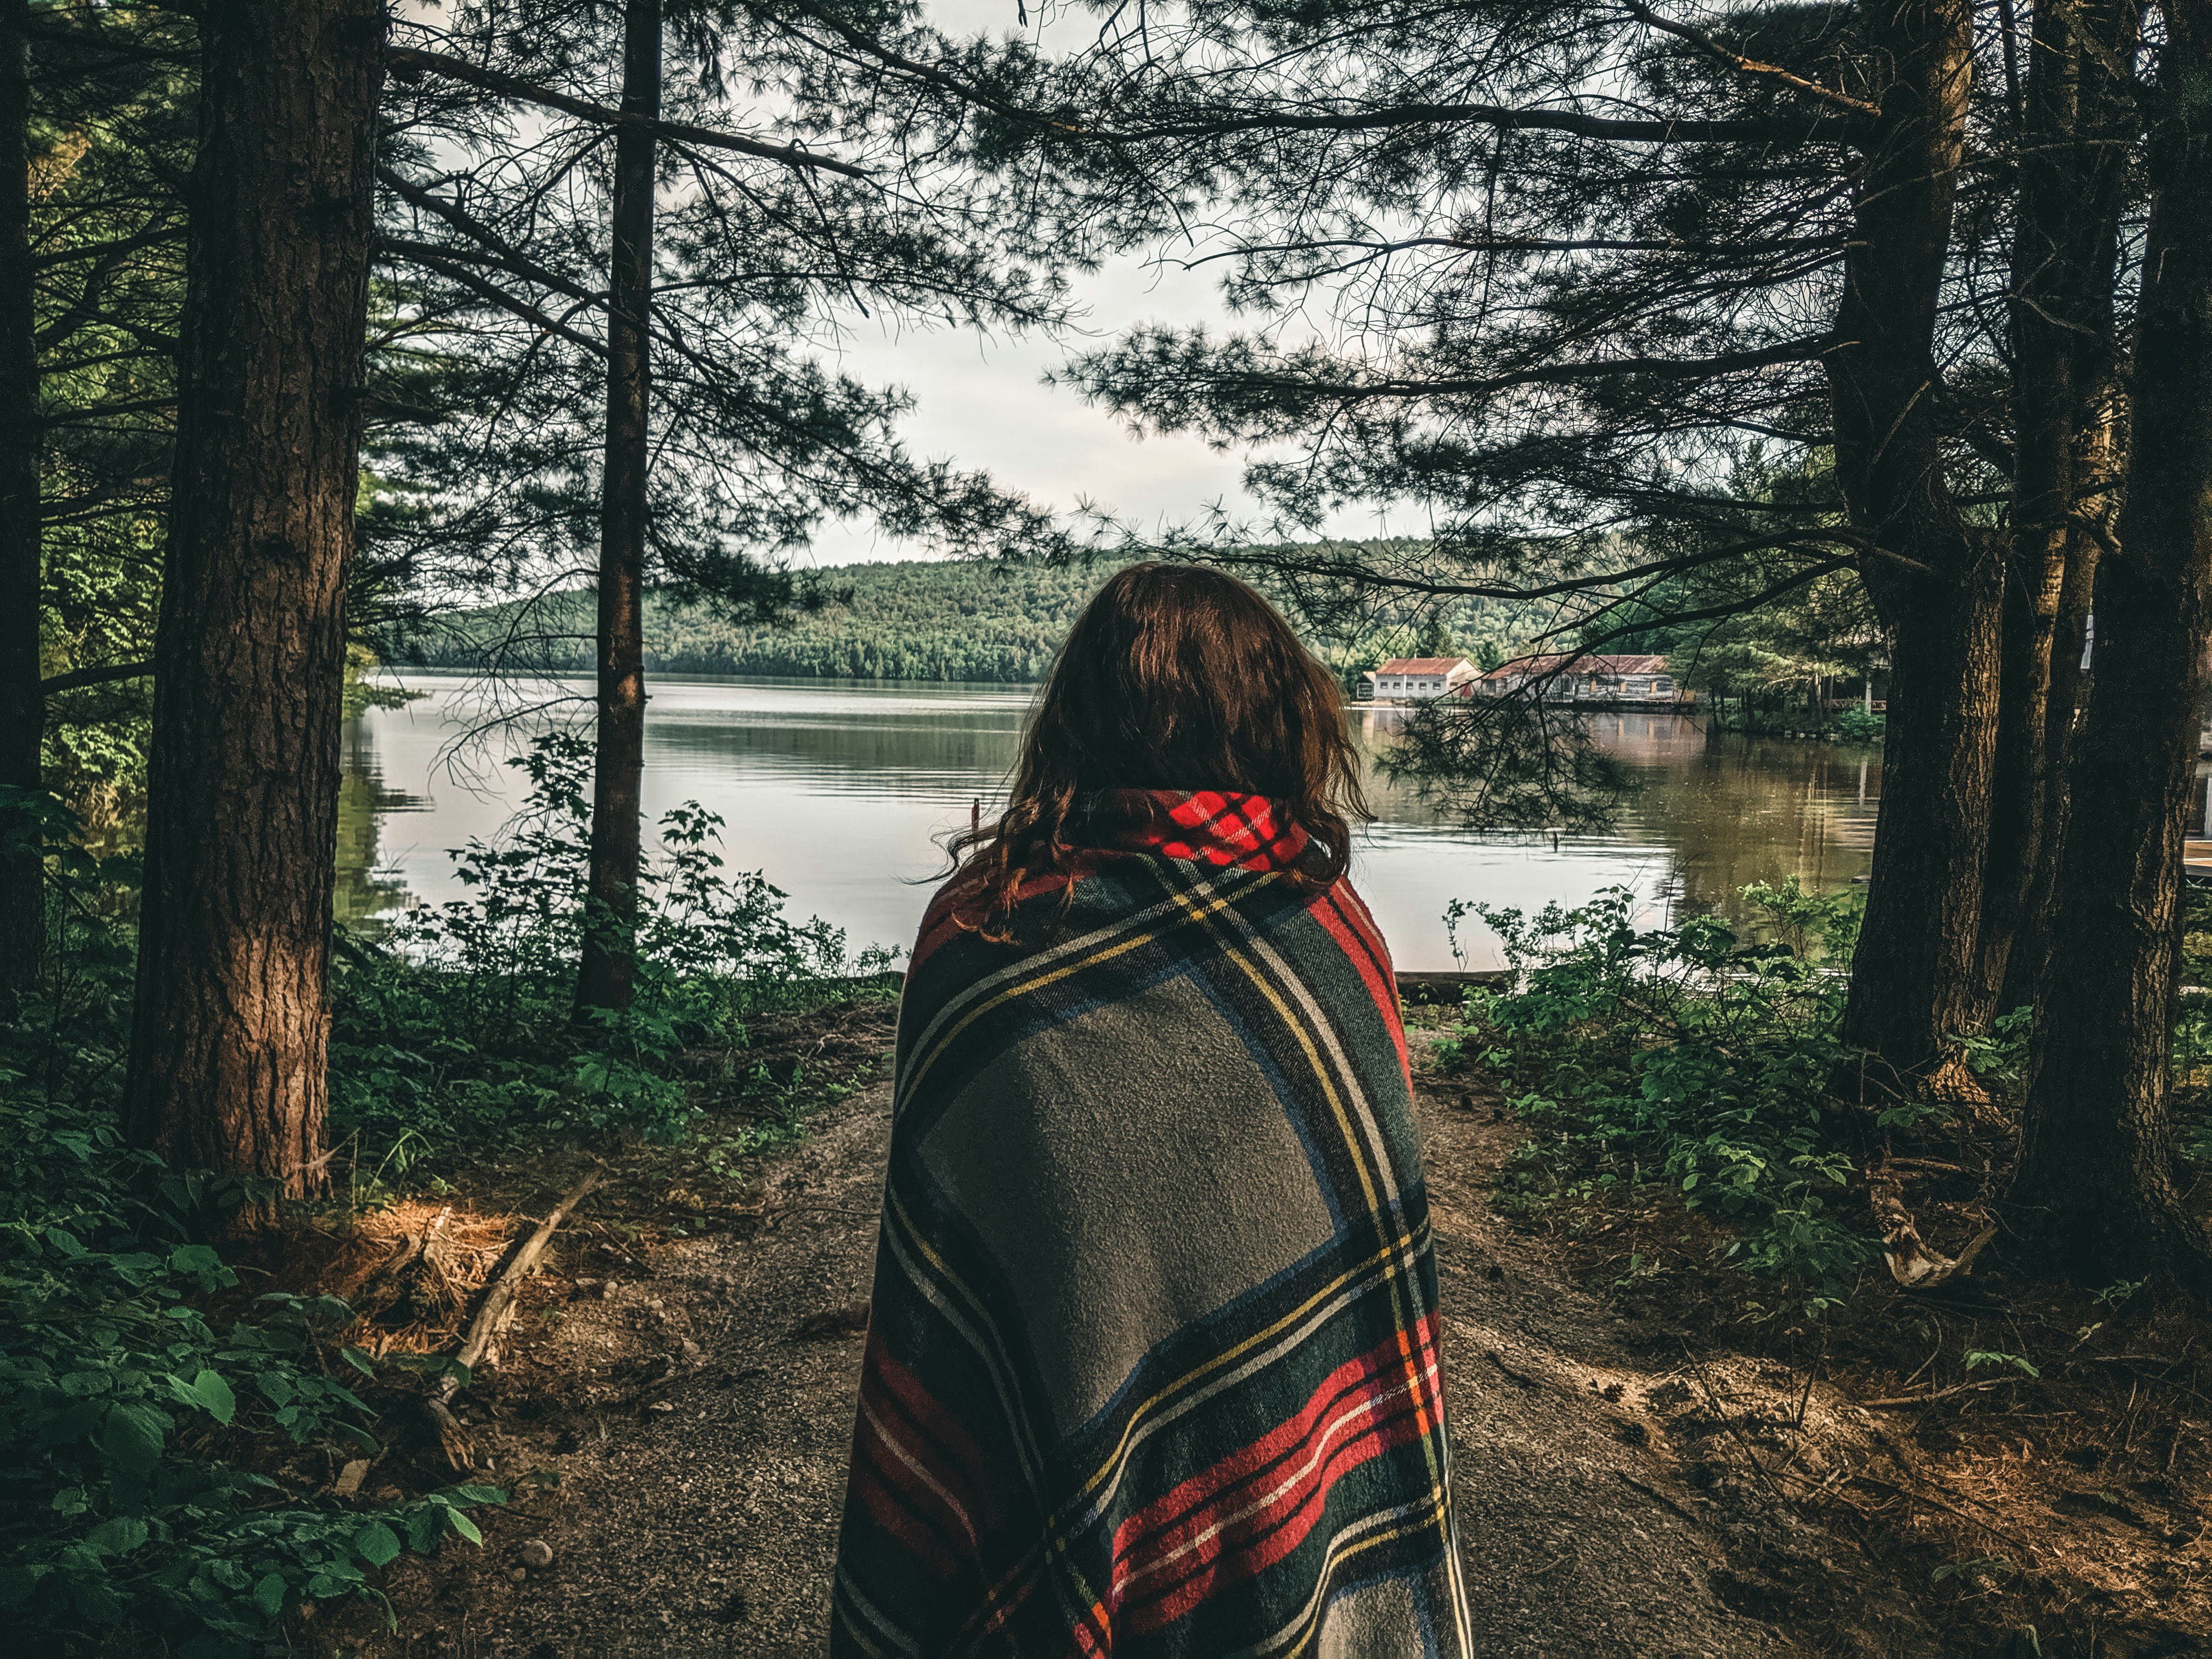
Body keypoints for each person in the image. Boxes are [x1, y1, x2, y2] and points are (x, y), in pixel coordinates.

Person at [830, 563, 1470, 1656]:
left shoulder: (981, 935)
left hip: (1061, 1469)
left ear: (1078, 720)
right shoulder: (1330, 926)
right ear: (1279, 721)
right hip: (1272, 1499)